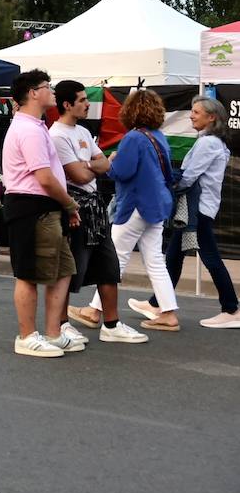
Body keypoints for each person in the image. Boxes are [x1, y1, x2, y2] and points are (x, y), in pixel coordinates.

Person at [55, 82, 147, 344]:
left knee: (109, 266)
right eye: (82, 100)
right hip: (76, 208)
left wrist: (91, 164)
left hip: (95, 207)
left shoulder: (82, 130)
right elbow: (80, 175)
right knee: (71, 269)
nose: (87, 104)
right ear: (67, 104)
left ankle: (112, 324)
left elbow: (105, 163)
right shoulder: (57, 135)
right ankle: (61, 324)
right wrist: (92, 164)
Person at [1, 69, 81, 358]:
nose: (52, 92)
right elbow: (44, 178)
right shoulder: (28, 129)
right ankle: (26, 336)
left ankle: (53, 332)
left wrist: (63, 205)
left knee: (62, 270)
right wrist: (69, 203)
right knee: (29, 274)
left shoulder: (36, 126)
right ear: (33, 93)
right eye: (48, 87)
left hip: (44, 207)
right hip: (30, 207)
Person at [148, 96, 240, 329]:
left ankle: (231, 308)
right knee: (174, 255)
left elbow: (189, 175)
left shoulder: (208, 143)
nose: (191, 115)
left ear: (212, 118)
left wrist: (168, 187)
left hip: (198, 209)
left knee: (210, 257)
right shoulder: (209, 141)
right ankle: (157, 302)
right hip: (198, 208)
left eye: (196, 112)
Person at [98, 89, 181, 332]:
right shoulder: (159, 136)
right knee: (155, 260)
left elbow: (121, 172)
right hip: (157, 204)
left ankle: (95, 310)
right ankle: (168, 312)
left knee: (113, 258)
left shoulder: (133, 138)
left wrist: (110, 161)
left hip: (135, 204)